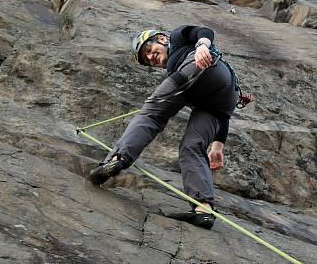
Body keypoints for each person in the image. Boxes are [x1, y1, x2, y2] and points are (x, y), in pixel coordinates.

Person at [89, 25, 239, 229]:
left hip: (199, 65)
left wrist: (203, 46)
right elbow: (222, 115)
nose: (150, 58)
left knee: (152, 114)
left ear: (161, 38)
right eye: (147, 60)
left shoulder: (177, 38)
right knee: (192, 146)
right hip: (223, 96)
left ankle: (116, 159)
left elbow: (203, 31)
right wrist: (218, 146)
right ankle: (203, 209)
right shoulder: (173, 64)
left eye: (149, 51)